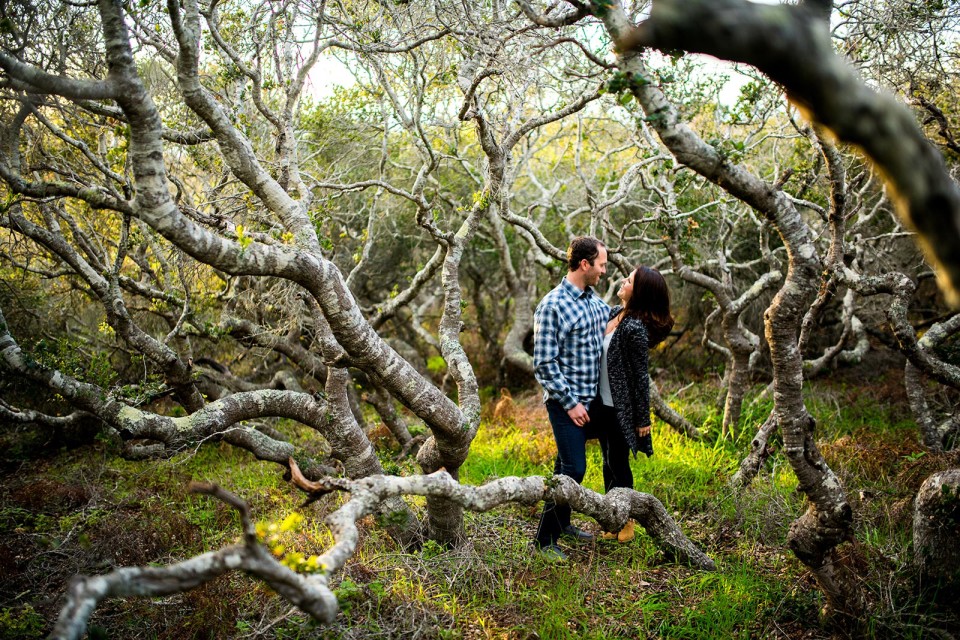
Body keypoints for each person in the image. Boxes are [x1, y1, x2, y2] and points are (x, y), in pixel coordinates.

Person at [532, 236, 609, 560]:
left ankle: (562, 524)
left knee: (564, 464)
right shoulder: (552, 306)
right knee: (575, 469)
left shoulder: (593, 301)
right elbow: (544, 364)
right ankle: (543, 540)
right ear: (584, 264)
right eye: (601, 265)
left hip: (589, 399)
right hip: (566, 403)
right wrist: (571, 402)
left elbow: (612, 320)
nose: (604, 271)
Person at [593, 266, 674, 543]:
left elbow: (641, 377)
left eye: (629, 280)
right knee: (606, 461)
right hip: (600, 402)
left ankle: (626, 518)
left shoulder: (635, 327)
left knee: (618, 462)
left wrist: (643, 419)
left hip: (620, 407)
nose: (622, 281)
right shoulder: (615, 314)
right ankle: (610, 517)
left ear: (638, 292)